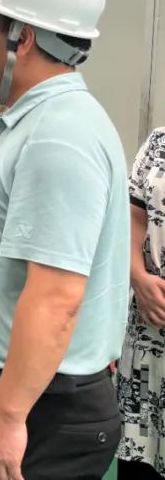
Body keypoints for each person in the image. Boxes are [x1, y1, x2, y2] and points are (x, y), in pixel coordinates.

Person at [0, 0, 127, 479]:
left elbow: (56, 298)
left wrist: (7, 416)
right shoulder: (34, 121)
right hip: (23, 398)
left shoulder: (58, 135)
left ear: (20, 38)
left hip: (38, 413)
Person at [117, 129, 165, 479]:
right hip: (147, 329)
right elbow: (133, 216)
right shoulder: (159, 142)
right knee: (138, 462)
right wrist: (138, 276)